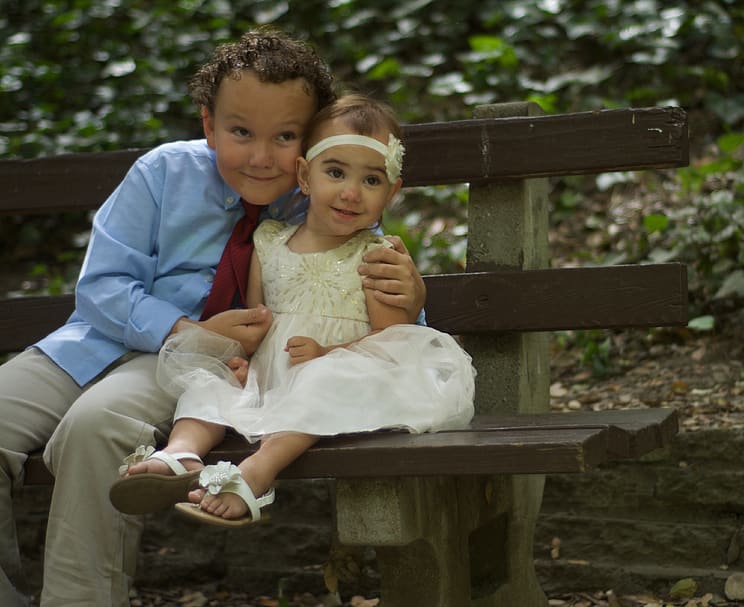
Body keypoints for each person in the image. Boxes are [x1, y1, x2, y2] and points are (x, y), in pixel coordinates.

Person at [0, 30, 426, 607]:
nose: (260, 156)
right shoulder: (163, 174)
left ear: (310, 145)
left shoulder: (330, 199)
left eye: (285, 137)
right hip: (91, 343)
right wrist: (186, 330)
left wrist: (410, 299)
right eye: (240, 132)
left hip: (189, 370)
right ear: (209, 125)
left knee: (93, 426)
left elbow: (379, 318)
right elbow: (101, 286)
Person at [109, 94, 476, 526]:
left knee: (324, 381)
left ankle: (259, 471)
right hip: (273, 375)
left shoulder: (377, 256)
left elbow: (391, 343)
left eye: (372, 181)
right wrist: (243, 363)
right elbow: (257, 319)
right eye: (335, 172)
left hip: (340, 374)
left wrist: (331, 353)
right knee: (210, 381)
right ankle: (181, 453)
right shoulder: (268, 242)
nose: (351, 192)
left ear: (392, 192)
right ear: (305, 175)